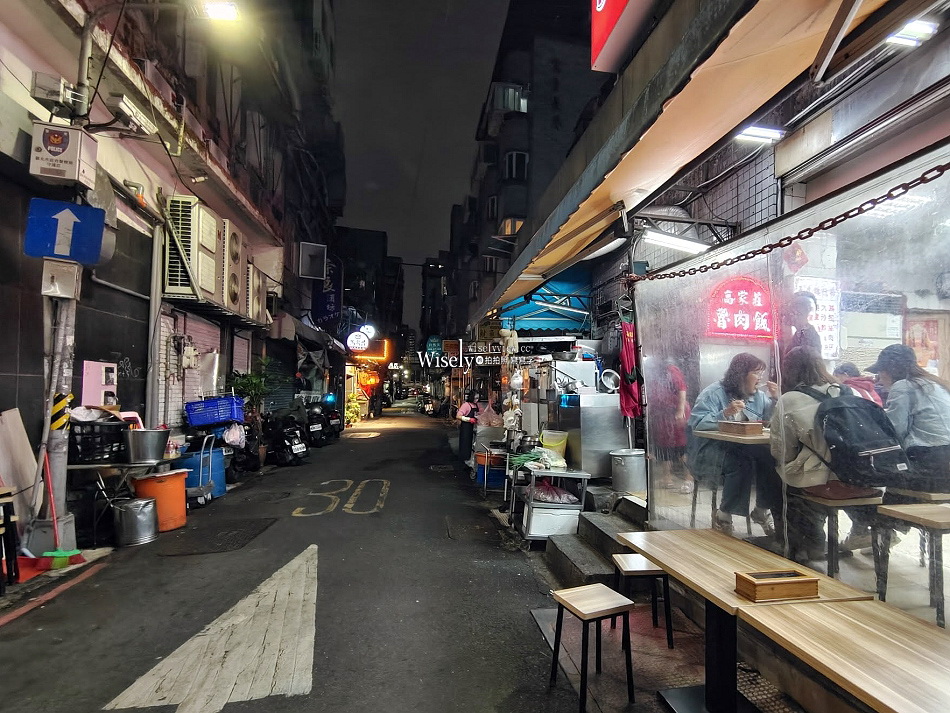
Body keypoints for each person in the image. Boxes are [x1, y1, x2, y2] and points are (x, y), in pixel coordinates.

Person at [771, 347, 868, 558]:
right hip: (865, 480)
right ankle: (860, 526)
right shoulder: (852, 392)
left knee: (779, 478)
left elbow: (782, 452)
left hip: (827, 484)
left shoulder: (790, 399)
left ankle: (806, 544)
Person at [687, 353, 781, 536]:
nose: (760, 379)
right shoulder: (713, 393)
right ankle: (723, 515)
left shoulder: (759, 396)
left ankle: (762, 510)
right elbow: (696, 424)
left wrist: (776, 399)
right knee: (740, 463)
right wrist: (724, 413)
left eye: (762, 374)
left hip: (743, 449)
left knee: (771, 459)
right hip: (710, 452)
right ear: (741, 375)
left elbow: (769, 422)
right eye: (756, 373)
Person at [867, 344, 950, 491]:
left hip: (931, 461)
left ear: (889, 371)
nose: (878, 379)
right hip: (944, 461)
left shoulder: (903, 386)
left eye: (879, 373)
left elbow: (894, 431)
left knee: (887, 490)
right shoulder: (935, 383)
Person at [645, 356, 693, 494]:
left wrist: (680, 411)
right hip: (663, 416)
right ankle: (667, 478)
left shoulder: (671, 370)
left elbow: (682, 389)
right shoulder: (656, 373)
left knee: (682, 447)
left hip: (675, 414)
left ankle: (688, 479)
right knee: (665, 447)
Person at [456, 390, 480, 468]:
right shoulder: (466, 405)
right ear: (471, 397)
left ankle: (470, 461)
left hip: (474, 428)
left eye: (478, 398)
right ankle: (463, 464)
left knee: (472, 445)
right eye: (475, 398)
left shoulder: (476, 405)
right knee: (465, 445)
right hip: (466, 428)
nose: (477, 400)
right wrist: (469, 419)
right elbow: (458, 416)